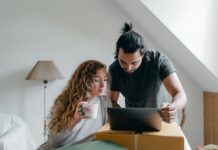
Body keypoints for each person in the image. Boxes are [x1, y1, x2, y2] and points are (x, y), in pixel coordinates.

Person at [109, 22, 187, 124]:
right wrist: (120, 115)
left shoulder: (158, 60)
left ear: (143, 55)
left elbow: (180, 94)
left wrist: (173, 107)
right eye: (123, 62)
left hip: (165, 121)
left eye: (134, 62)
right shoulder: (114, 69)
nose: (128, 67)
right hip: (134, 123)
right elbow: (112, 101)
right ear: (117, 54)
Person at [37, 60, 111, 150]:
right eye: (96, 80)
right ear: (85, 81)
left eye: (105, 79)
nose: (103, 85)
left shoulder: (104, 102)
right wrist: (74, 120)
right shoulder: (65, 102)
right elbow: (54, 142)